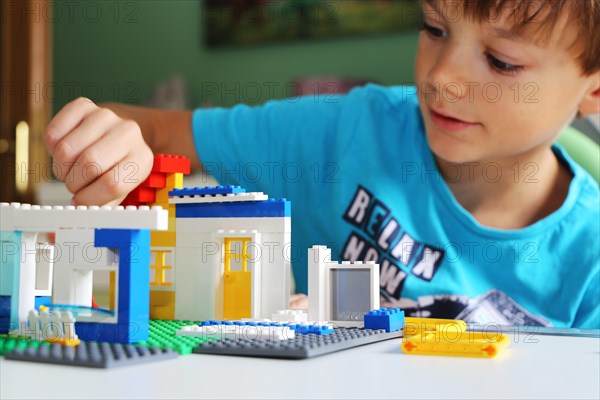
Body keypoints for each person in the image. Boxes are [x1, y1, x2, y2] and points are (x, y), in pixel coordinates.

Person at [44, 0, 600, 328]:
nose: (441, 77)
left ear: (593, 91)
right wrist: (109, 144)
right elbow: (148, 126)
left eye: (501, 62)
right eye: (434, 28)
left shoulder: (589, 259)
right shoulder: (343, 132)